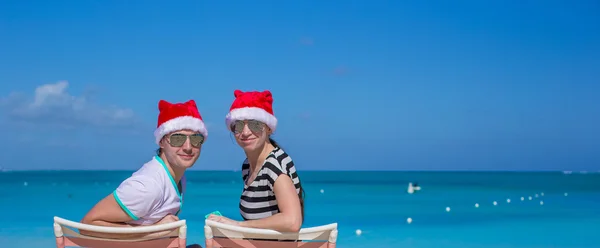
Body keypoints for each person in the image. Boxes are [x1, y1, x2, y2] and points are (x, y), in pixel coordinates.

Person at [80, 99, 208, 240]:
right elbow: (87, 226)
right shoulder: (148, 187)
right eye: (178, 139)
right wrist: (154, 230)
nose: (188, 147)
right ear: (161, 141)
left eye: (196, 139)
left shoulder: (177, 177)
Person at [208, 89, 305, 232]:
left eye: (255, 125)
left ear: (268, 128)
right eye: (239, 126)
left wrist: (237, 225)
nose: (246, 132)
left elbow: (292, 221)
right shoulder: (248, 166)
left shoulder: (275, 166)